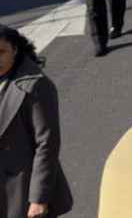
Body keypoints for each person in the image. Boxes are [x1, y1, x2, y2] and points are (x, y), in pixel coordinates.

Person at [0, 26, 73, 218]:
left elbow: (47, 144)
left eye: (1, 52)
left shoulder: (36, 86)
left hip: (22, 191)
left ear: (14, 50)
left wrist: (39, 199)